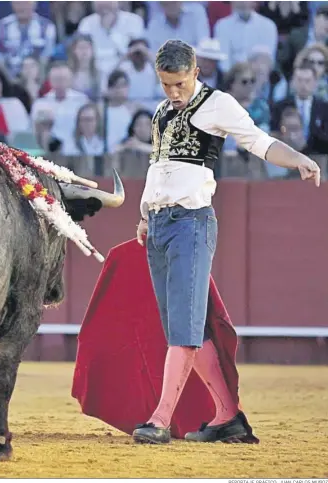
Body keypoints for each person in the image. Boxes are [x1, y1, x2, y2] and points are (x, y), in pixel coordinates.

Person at [133, 40, 320, 445]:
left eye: (179, 83)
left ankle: (161, 419)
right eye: (165, 85)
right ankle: (228, 416)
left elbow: (258, 141)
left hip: (191, 224)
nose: (173, 92)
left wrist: (299, 159)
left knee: (183, 328)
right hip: (161, 226)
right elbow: (158, 166)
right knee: (184, 327)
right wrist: (145, 213)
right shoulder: (162, 113)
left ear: (196, 72)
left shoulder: (218, 105)